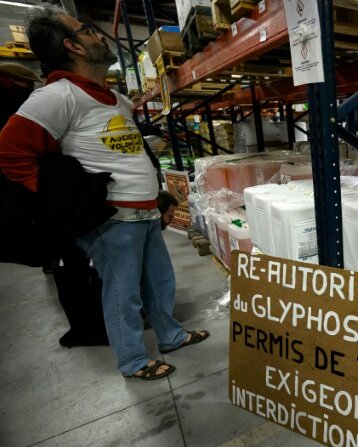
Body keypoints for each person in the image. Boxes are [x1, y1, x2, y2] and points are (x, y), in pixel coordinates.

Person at [0, 5, 209, 381]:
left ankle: (171, 336)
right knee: (122, 293)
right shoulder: (56, 97)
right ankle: (132, 361)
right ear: (73, 47)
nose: (98, 35)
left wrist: (158, 197)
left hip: (143, 211)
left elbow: (129, 153)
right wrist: (63, 200)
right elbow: (11, 153)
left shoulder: (112, 98)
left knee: (159, 282)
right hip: (112, 218)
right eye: (86, 30)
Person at [0, 62, 39, 129]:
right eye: (29, 85)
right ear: (11, 79)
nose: (32, 89)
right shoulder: (12, 96)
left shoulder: (11, 92)